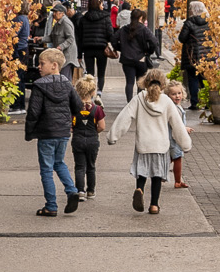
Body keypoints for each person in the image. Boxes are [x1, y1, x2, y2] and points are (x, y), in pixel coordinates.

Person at [109, 65, 190, 214]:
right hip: (160, 146)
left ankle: (139, 189)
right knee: (157, 175)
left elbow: (124, 117)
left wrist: (112, 136)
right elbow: (177, 125)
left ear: (145, 82)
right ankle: (154, 205)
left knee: (142, 171)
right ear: (163, 84)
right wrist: (185, 144)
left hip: (143, 144)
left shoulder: (139, 99)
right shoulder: (166, 101)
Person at [24, 47, 82, 217]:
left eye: (42, 63)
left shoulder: (39, 86)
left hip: (46, 132)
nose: (39, 67)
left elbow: (33, 112)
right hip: (63, 132)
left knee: (46, 170)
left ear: (54, 65)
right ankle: (72, 190)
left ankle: (51, 205)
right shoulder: (67, 84)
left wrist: (29, 132)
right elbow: (78, 106)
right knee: (59, 162)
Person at [71, 73, 105, 198]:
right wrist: (94, 131)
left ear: (77, 91)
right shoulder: (97, 109)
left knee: (79, 166)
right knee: (91, 166)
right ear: (93, 92)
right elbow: (102, 126)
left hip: (78, 139)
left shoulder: (74, 108)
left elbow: (70, 125)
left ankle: (80, 190)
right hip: (92, 140)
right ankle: (91, 190)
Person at [116, 6, 160, 101]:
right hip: (141, 58)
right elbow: (154, 42)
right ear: (141, 18)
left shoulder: (124, 29)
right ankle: (139, 102)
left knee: (129, 82)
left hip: (127, 59)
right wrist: (148, 51)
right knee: (141, 83)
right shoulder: (144, 29)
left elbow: (113, 39)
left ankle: (129, 102)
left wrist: (121, 48)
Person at [75, 0, 113, 94]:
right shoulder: (106, 17)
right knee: (101, 73)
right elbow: (110, 34)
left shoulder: (83, 19)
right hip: (101, 48)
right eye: (101, 4)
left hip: (88, 49)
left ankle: (90, 93)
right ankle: (99, 93)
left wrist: (79, 54)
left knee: (90, 73)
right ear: (98, 5)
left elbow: (80, 37)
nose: (103, 6)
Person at [177, 0, 210, 110]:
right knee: (204, 78)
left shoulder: (189, 23)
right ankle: (208, 101)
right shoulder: (208, 21)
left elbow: (182, 38)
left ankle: (195, 102)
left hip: (192, 55)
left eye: (190, 8)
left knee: (193, 79)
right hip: (206, 54)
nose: (189, 10)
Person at [166, 80, 191, 189]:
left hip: (172, 137)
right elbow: (176, 124)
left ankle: (160, 174)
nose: (177, 96)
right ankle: (177, 181)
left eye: (179, 93)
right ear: (168, 95)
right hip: (175, 137)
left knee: (170, 158)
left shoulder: (175, 106)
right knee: (177, 158)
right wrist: (185, 129)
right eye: (173, 94)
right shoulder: (174, 108)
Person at [46, 1, 78, 75]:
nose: (54, 14)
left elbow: (71, 38)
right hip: (60, 56)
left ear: (62, 13)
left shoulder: (66, 23)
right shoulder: (57, 24)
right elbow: (52, 37)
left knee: (65, 77)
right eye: (53, 12)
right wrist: (40, 39)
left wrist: (61, 46)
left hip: (67, 56)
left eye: (56, 12)